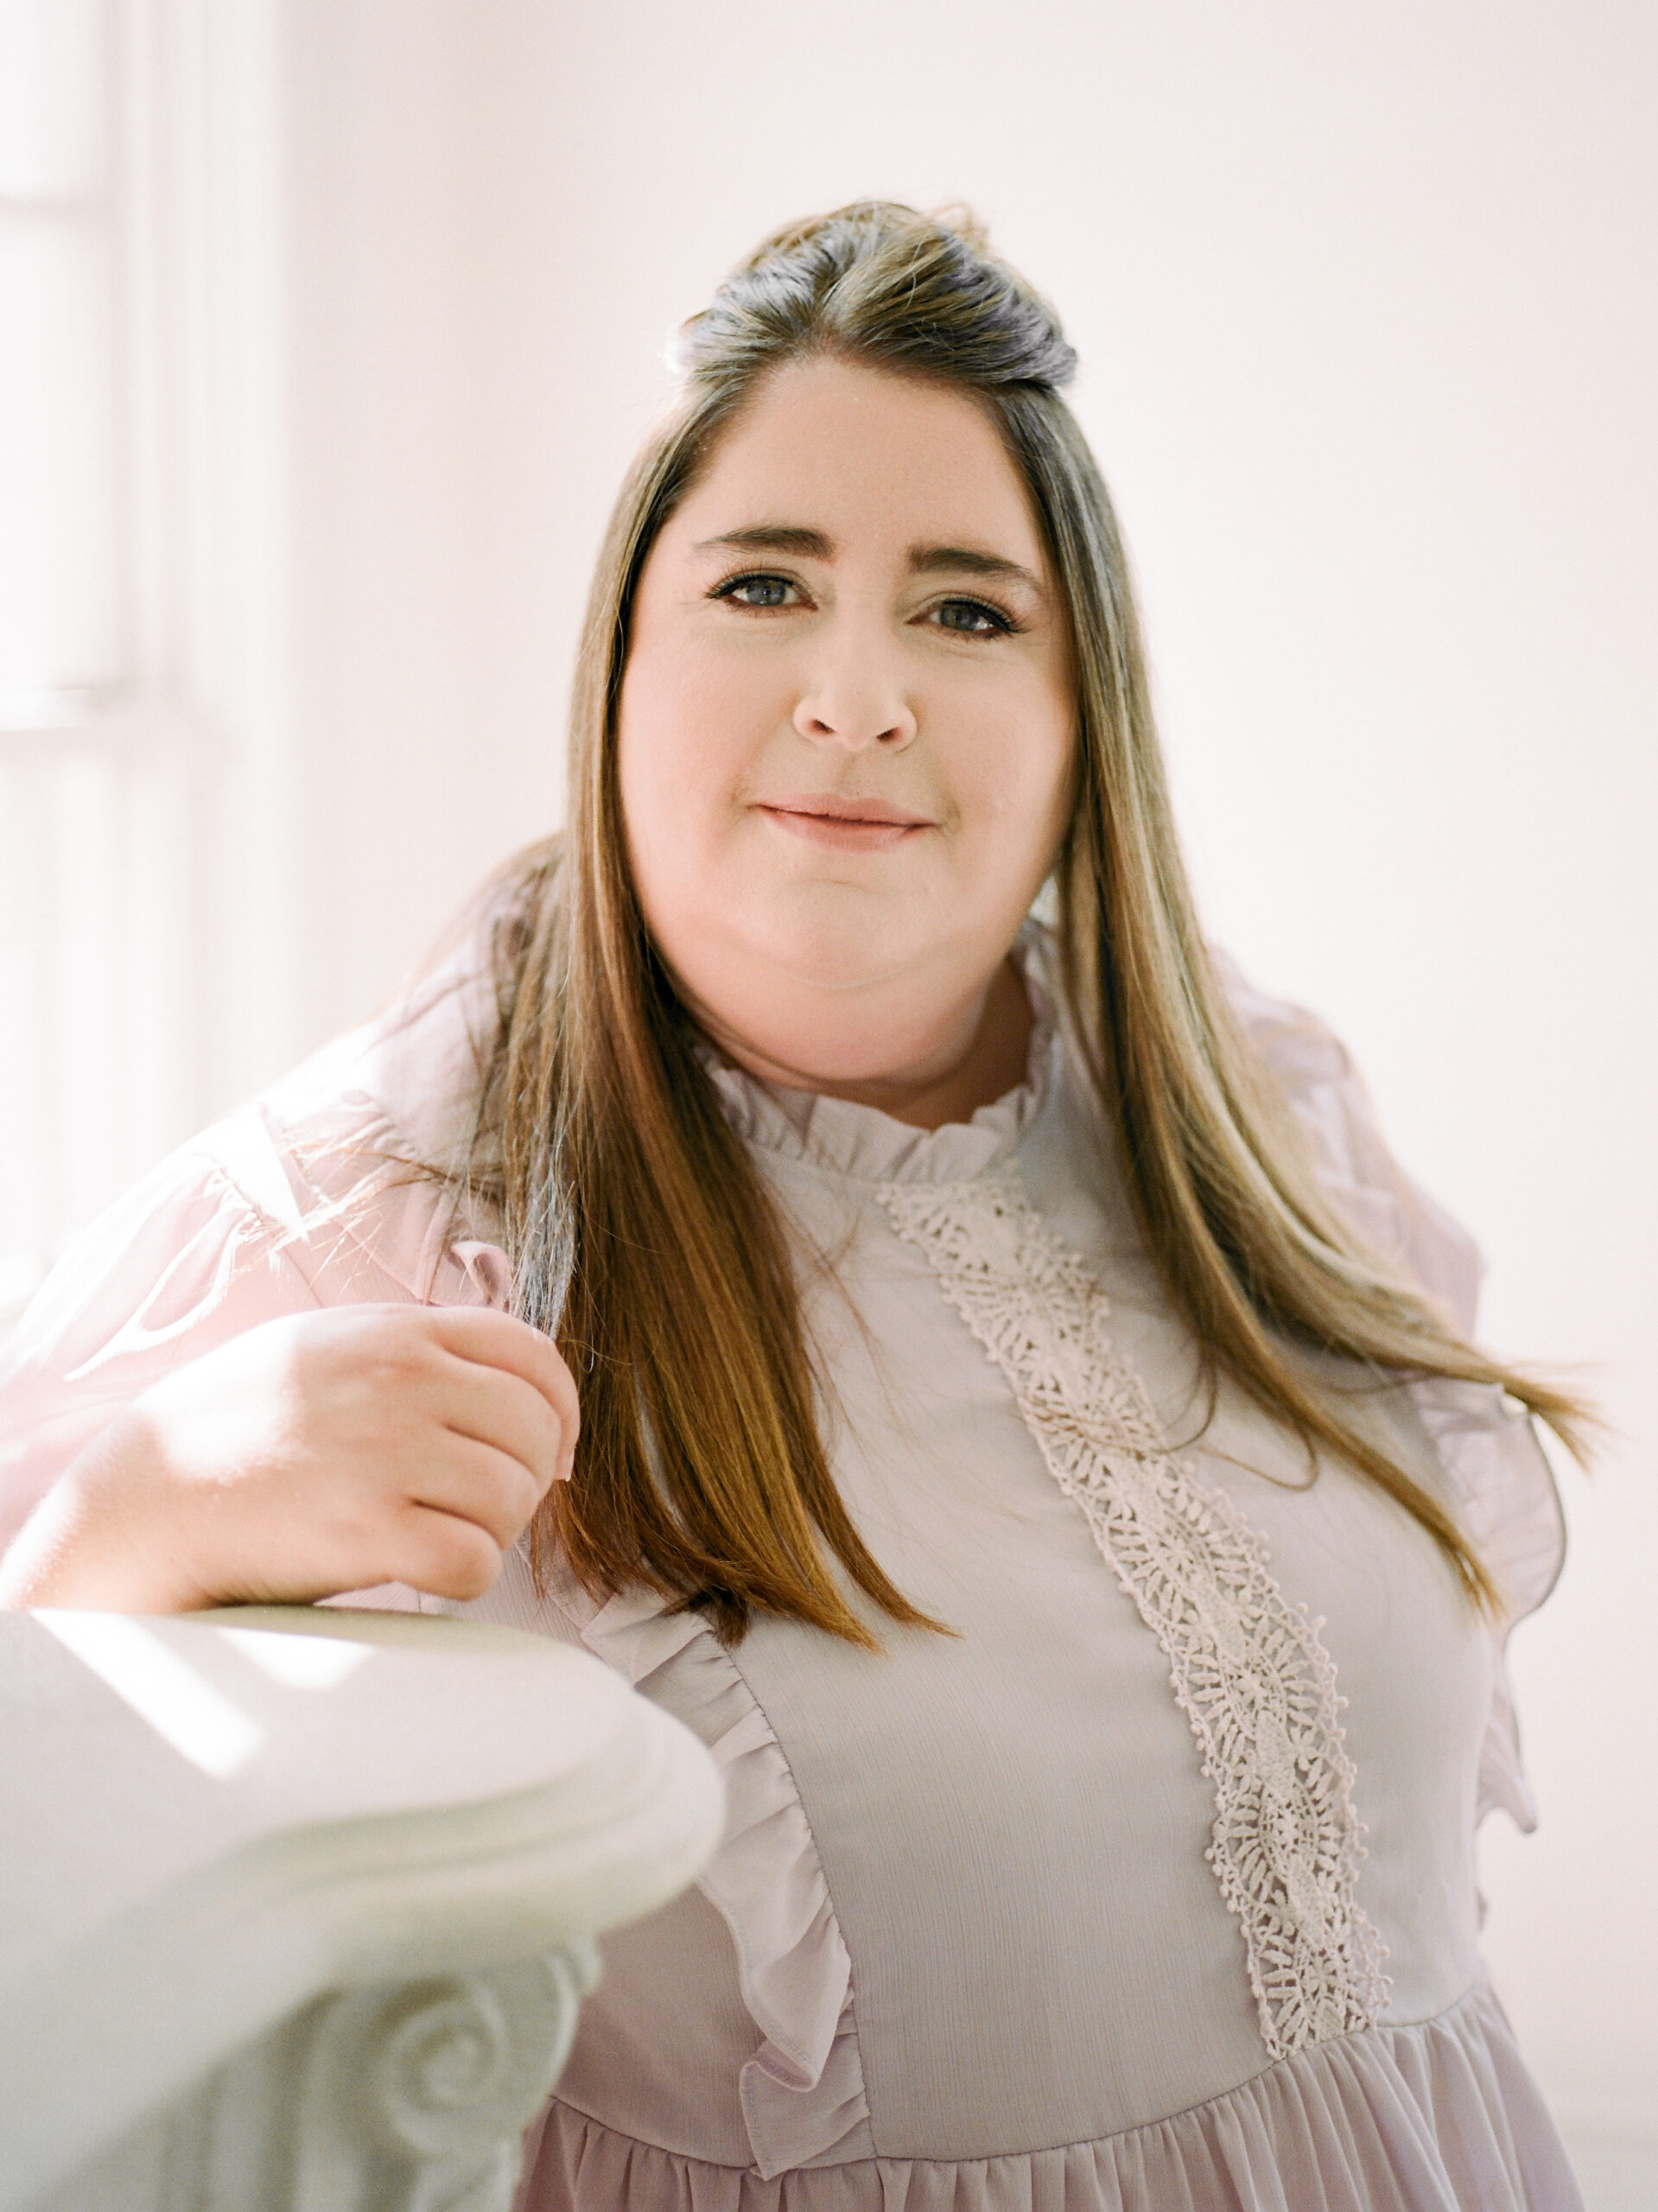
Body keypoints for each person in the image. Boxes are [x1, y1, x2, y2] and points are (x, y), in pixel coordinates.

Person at [0, 203, 1588, 2211]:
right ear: (620, 665)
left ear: (1089, 716)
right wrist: (127, 1516)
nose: (858, 697)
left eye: (969, 609)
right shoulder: (381, 1202)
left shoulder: (1260, 1110)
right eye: (766, 582)